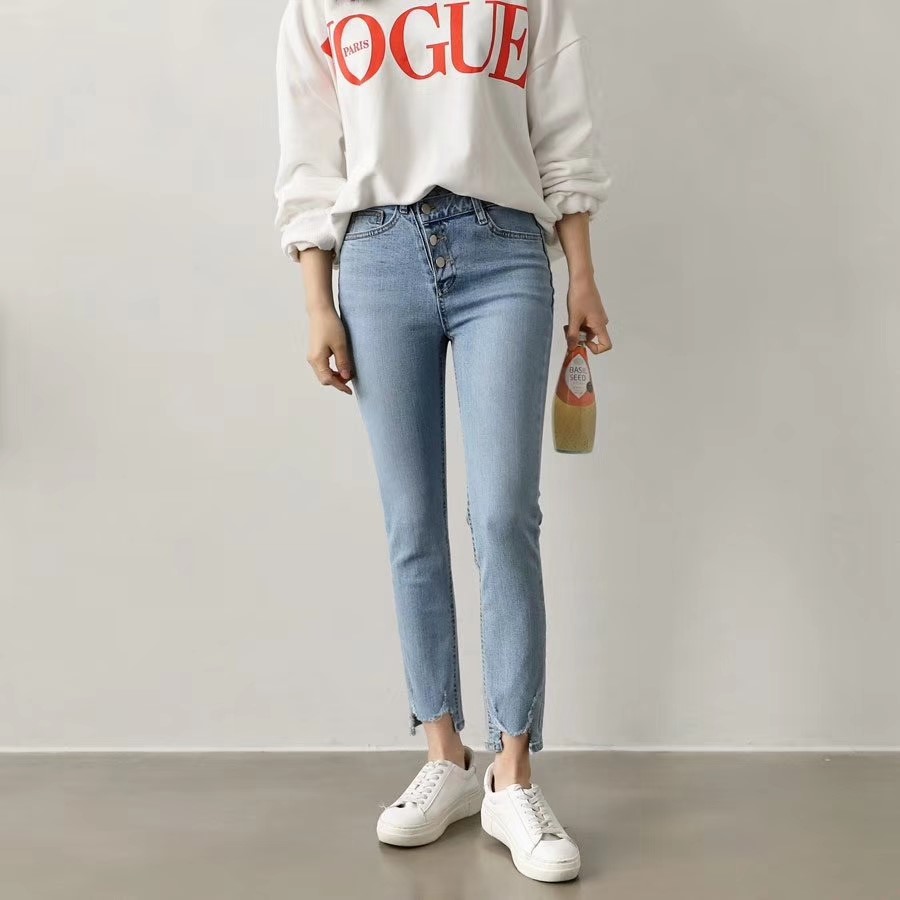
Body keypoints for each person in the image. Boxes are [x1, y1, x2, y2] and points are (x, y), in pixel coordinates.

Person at [274, 0, 612, 883]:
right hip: (377, 256)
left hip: (506, 251)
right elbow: (310, 154)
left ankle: (513, 773)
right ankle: (444, 755)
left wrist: (582, 273)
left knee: (503, 517)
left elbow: (561, 129)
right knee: (412, 522)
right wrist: (316, 301)